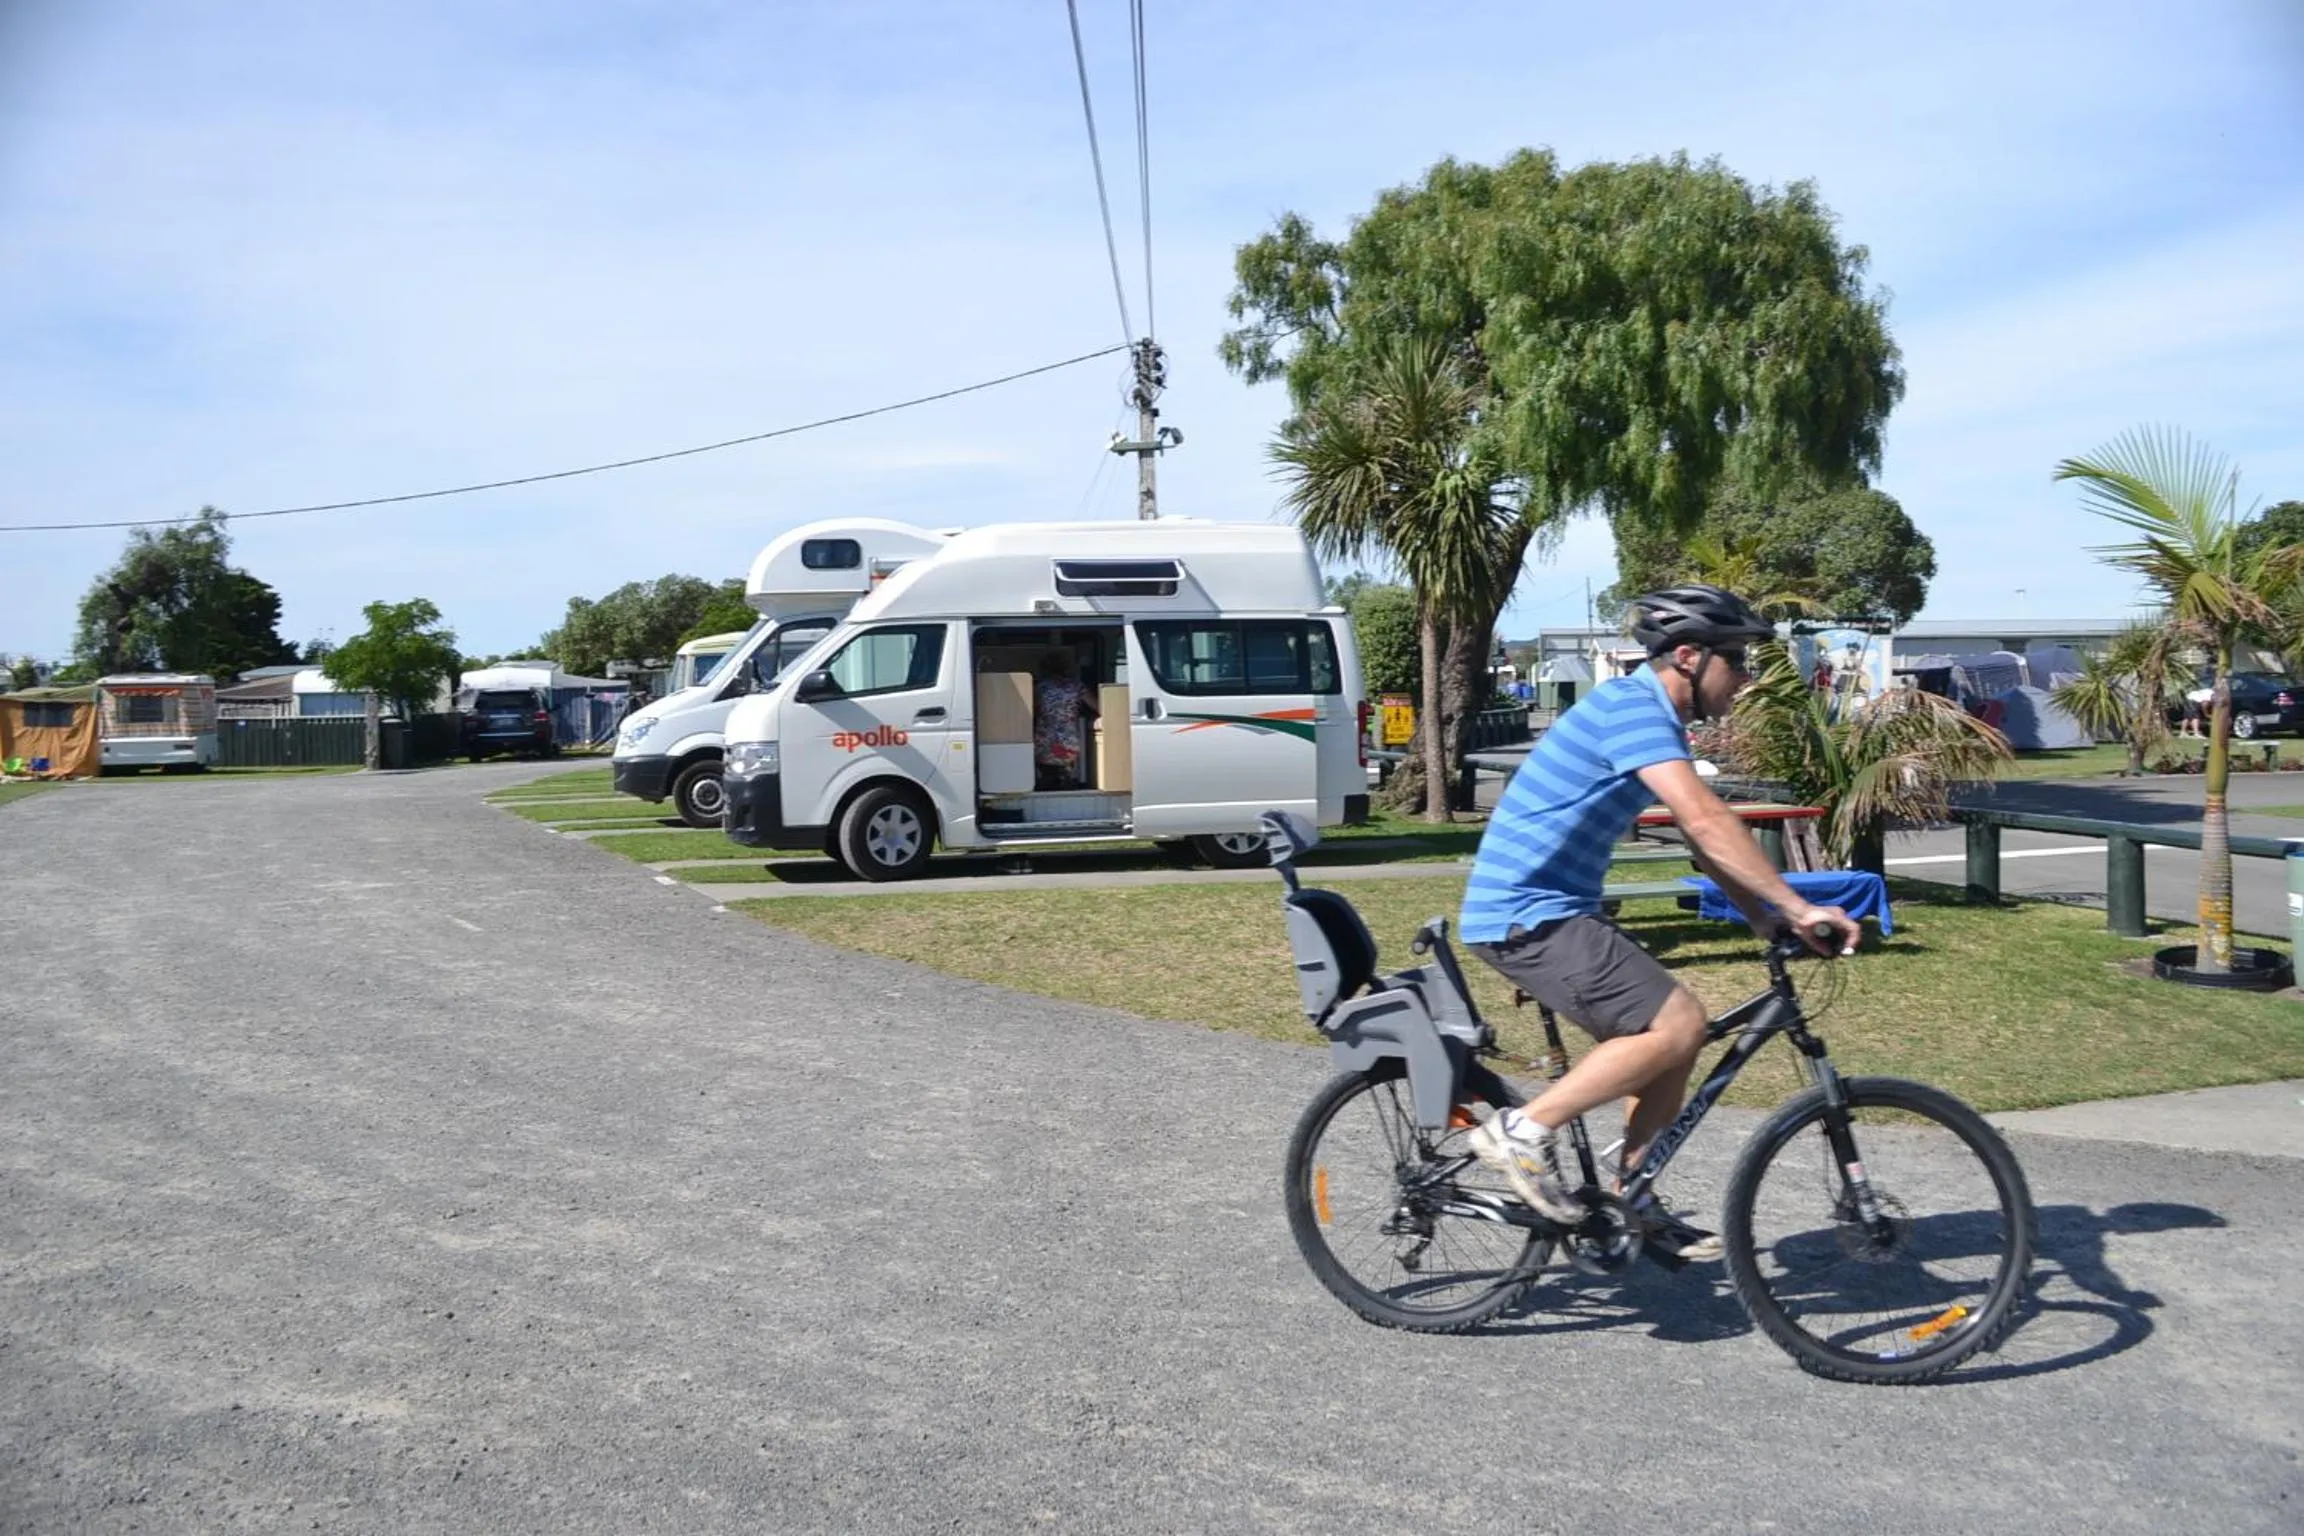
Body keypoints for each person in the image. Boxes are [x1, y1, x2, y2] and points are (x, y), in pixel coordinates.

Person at [1461, 585, 1862, 1263]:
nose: (1746, 678)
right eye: (1737, 661)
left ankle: (1633, 1199)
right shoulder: (1632, 710)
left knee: (1675, 1039)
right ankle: (1521, 1133)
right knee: (1677, 1024)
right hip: (1528, 913)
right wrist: (1799, 907)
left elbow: (1701, 840)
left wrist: (1765, 918)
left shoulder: (1648, 719)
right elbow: (1705, 816)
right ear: (1687, 656)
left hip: (1551, 910)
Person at [1032, 653, 1099, 789]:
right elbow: (1098, 707)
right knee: (1066, 776)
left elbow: (1031, 709)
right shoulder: (1076, 686)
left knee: (1047, 777)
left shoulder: (1039, 687)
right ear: (1066, 668)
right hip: (1068, 739)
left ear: (1044, 669)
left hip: (1045, 739)